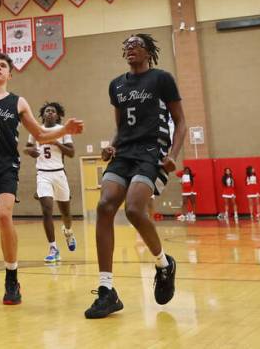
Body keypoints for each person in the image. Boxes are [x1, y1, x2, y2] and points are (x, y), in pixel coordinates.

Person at [0, 52, 83, 305]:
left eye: (3, 66)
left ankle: (12, 278)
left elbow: (40, 134)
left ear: (10, 74)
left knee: (3, 214)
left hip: (7, 167)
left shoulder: (18, 102)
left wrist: (65, 130)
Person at [86, 34, 184, 320]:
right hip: (125, 152)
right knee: (104, 206)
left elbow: (181, 121)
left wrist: (174, 153)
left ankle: (163, 264)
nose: (130, 48)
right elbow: (120, 127)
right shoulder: (116, 85)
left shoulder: (161, 79)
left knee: (133, 209)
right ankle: (107, 291)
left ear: (148, 51)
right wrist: (112, 145)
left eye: (136, 44)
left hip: (152, 152)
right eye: (126, 45)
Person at [24, 101, 76, 264]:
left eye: (53, 111)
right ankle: (53, 248)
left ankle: (68, 231)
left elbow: (72, 153)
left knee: (65, 213)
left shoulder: (63, 131)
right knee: (47, 210)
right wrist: (32, 151)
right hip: (43, 174)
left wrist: (56, 143)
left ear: (58, 115)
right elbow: (27, 149)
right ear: (43, 114)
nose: (50, 113)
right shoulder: (35, 131)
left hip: (59, 174)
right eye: (47, 111)